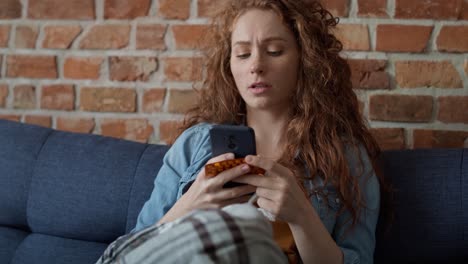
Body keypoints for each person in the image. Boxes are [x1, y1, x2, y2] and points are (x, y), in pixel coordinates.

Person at [129, 0, 383, 263]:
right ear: (229, 65)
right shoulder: (193, 145)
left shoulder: (347, 157)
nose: (256, 65)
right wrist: (187, 206)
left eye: (274, 51)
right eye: (242, 54)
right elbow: (130, 252)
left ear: (305, 60)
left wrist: (301, 217)